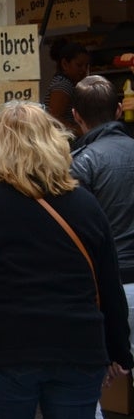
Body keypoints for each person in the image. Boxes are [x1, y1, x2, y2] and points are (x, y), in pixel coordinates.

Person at [0, 103, 132, 419]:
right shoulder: (85, 204)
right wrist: (119, 350)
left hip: (6, 351)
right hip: (77, 348)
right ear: (54, 144)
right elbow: (108, 284)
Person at [70, 76, 134, 356]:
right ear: (119, 109)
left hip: (103, 286)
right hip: (113, 280)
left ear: (76, 116)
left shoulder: (81, 163)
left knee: (94, 380)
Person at [47, 39, 91, 135]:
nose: (83, 70)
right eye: (79, 65)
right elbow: (54, 120)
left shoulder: (69, 84)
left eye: (86, 66)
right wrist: (81, 131)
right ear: (65, 64)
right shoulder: (63, 85)